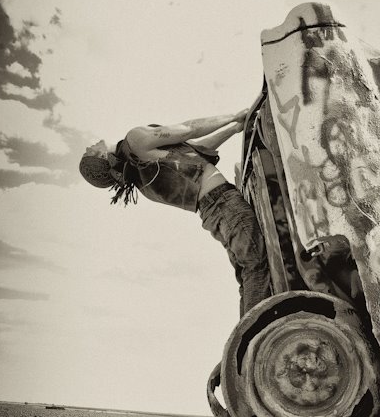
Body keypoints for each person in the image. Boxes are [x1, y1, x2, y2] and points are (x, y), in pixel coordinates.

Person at [78, 110, 271, 316]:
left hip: (214, 212)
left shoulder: (138, 171)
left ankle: (251, 340)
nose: (89, 146)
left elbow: (198, 152)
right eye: (88, 151)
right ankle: (258, 337)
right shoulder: (135, 140)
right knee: (255, 265)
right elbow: (189, 129)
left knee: (249, 273)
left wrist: (234, 128)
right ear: (100, 157)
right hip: (223, 203)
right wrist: (235, 116)